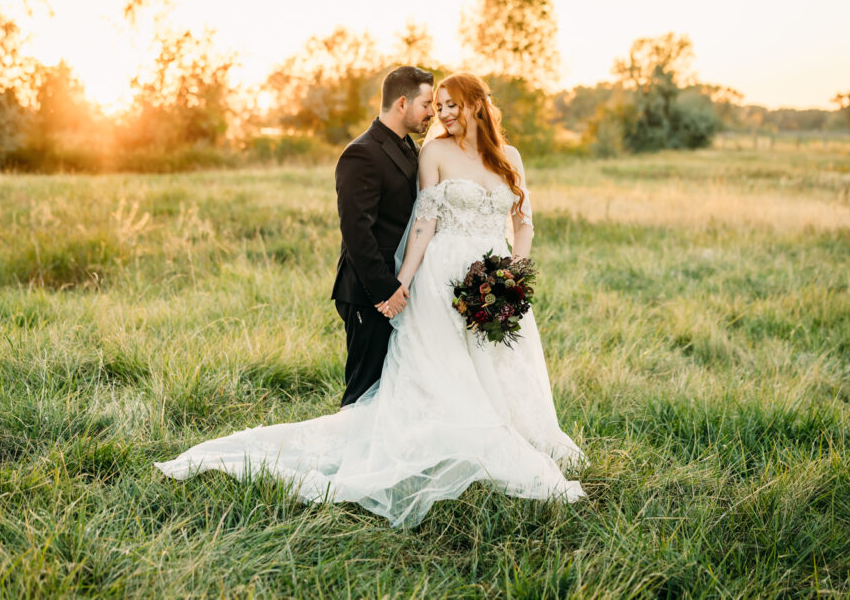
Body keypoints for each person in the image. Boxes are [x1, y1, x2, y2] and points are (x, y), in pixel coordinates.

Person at [154, 72, 587, 529]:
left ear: (477, 104)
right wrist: (400, 284)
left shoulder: (509, 157)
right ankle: (461, 442)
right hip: (443, 278)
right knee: (445, 371)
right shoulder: (433, 152)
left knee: (498, 361)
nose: (440, 115)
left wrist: (512, 276)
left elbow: (523, 221)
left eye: (449, 105)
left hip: (497, 276)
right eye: (436, 106)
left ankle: (515, 433)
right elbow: (423, 224)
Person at [331, 66, 435, 407]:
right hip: (369, 293)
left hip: (398, 289)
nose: (432, 113)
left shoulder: (409, 148)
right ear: (402, 104)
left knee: (390, 393)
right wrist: (385, 291)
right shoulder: (362, 153)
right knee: (363, 391)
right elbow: (356, 232)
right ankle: (348, 456)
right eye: (427, 104)